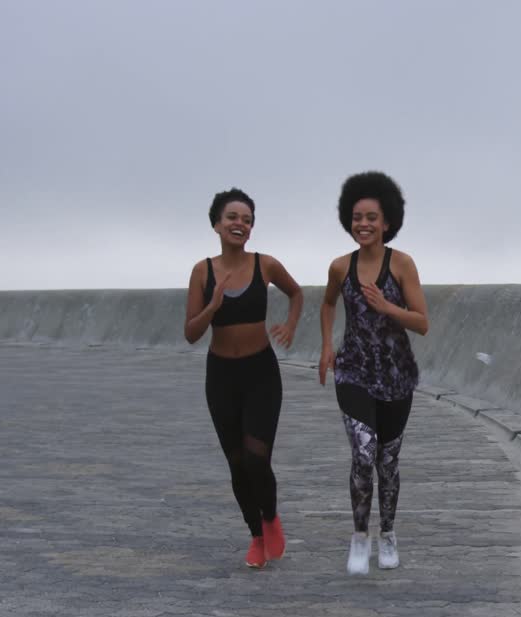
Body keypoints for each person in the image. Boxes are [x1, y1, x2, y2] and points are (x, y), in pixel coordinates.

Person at [184, 187, 303, 569]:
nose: (240, 224)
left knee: (256, 458)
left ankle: (270, 517)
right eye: (233, 217)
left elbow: (296, 293)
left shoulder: (264, 264)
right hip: (221, 376)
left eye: (247, 219)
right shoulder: (201, 271)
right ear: (217, 224)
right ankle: (256, 535)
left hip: (260, 373)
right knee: (236, 462)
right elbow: (191, 332)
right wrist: (214, 306)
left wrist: (290, 324)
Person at [319, 171, 429, 575]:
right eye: (356, 216)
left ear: (387, 222)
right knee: (362, 454)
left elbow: (421, 322)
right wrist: (329, 346)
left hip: (397, 375)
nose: (363, 224)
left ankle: (389, 536)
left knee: (387, 461)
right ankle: (359, 537)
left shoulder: (401, 265)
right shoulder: (338, 267)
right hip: (353, 372)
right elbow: (328, 304)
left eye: (371, 217)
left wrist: (387, 308)